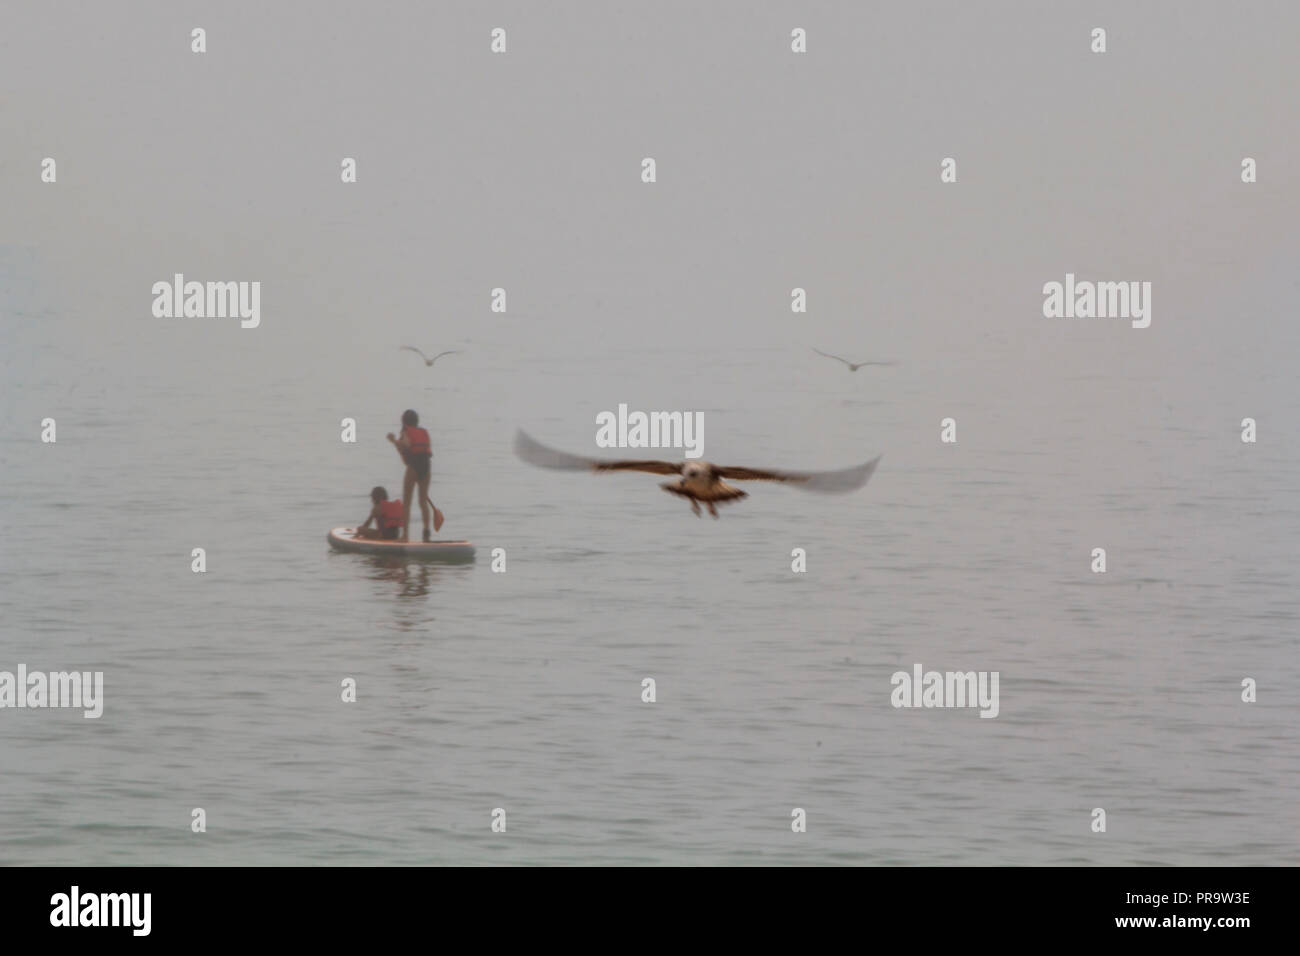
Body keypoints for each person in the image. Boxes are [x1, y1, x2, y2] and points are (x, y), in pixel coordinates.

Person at [387, 409, 444, 541]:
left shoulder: (405, 431)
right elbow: (420, 451)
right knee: (422, 501)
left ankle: (405, 536)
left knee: (406, 503)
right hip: (426, 466)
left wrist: (394, 441)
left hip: (414, 467)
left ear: (404, 421)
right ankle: (426, 533)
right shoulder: (423, 432)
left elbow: (406, 445)